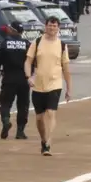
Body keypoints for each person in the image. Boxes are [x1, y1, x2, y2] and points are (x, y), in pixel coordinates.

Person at [24, 16, 72, 156]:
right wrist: (28, 77)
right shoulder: (37, 42)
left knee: (51, 113)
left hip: (55, 84)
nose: (52, 28)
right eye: (49, 26)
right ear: (45, 27)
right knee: (39, 118)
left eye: (54, 26)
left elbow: (66, 69)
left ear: (58, 28)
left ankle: (48, 142)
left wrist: (69, 89)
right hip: (38, 85)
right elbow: (28, 62)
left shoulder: (62, 45)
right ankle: (43, 139)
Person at [0, 22, 32, 140]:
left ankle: (6, 121)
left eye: (10, 28)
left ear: (14, 30)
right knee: (23, 106)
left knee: (5, 103)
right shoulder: (27, 44)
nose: (8, 30)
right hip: (24, 79)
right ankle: (20, 132)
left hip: (9, 78)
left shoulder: (5, 43)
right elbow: (33, 60)